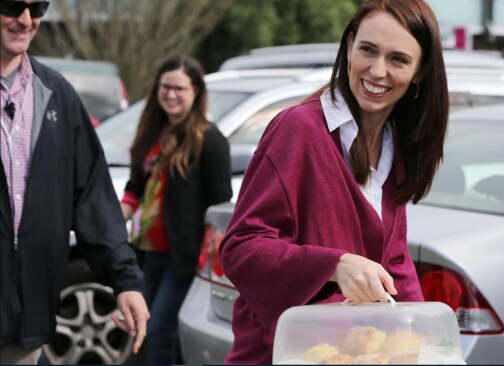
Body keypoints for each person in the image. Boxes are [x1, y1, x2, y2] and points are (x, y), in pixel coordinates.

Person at [219, 0, 449, 363]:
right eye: (368, 50)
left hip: (352, 355)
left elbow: (395, 266)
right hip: (280, 354)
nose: (377, 70)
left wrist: (420, 336)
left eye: (398, 59)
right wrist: (333, 265)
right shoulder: (298, 129)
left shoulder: (397, 145)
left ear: (420, 72)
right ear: (349, 47)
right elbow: (241, 249)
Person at [0, 0, 149, 364]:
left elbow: (92, 199)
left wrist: (125, 281)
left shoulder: (58, 94)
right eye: (12, 6)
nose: (26, 19)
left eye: (37, 8)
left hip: (26, 322)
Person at [120, 55, 232, 364]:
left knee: (161, 329)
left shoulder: (209, 139)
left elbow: (221, 203)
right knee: (142, 327)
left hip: (183, 256)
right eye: (165, 87)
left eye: (179, 89)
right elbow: (136, 187)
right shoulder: (153, 131)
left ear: (195, 91)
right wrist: (116, 221)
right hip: (147, 249)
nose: (170, 94)